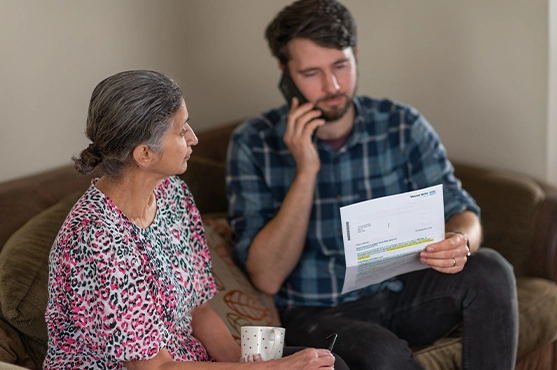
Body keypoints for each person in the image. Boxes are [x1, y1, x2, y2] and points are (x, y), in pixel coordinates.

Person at [225, 1, 519, 369]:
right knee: (382, 356)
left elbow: (463, 211)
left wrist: (460, 240)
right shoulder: (252, 142)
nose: (332, 86)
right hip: (317, 312)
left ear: (356, 55)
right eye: (312, 72)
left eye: (341, 66)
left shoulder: (401, 124)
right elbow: (266, 277)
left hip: (399, 294)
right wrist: (306, 171)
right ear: (286, 74)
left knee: (491, 269)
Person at [44, 70, 347, 370]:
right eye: (181, 130)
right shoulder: (95, 239)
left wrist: (242, 362)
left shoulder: (172, 193)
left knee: (331, 365)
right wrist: (271, 369)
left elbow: (198, 310)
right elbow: (155, 368)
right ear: (145, 154)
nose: (194, 138)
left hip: (189, 360)